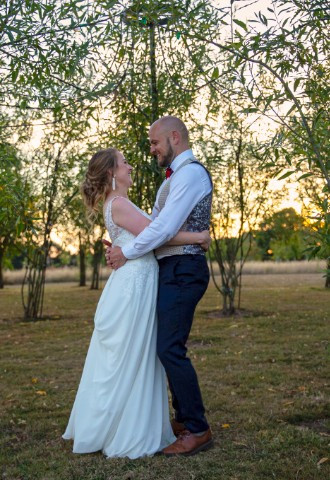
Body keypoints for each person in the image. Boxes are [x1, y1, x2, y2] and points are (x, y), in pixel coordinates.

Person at [62, 147, 211, 459]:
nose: (130, 166)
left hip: (138, 280)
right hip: (134, 284)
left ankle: (134, 420)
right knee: (132, 355)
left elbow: (148, 234)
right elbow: (158, 234)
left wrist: (120, 246)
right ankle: (126, 425)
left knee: (136, 354)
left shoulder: (119, 203)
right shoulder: (118, 203)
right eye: (124, 163)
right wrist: (197, 237)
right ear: (111, 174)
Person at [106, 116, 213, 457]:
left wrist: (126, 251)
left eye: (154, 143)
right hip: (171, 267)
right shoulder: (173, 178)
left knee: (169, 348)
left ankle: (197, 428)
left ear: (174, 137)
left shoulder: (192, 174)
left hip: (184, 268)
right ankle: (183, 421)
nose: (151, 149)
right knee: (165, 346)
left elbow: (163, 229)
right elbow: (155, 228)